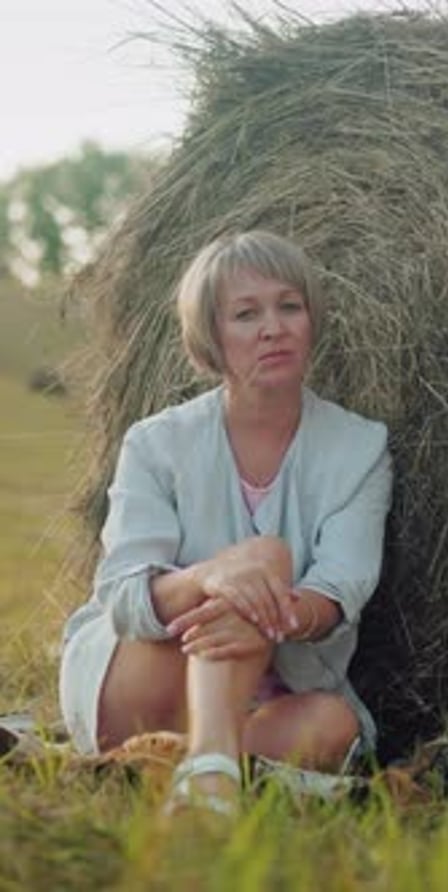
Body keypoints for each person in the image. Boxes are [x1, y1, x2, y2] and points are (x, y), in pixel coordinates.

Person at [59, 230, 392, 815]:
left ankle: (171, 767)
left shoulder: (360, 447)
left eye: (289, 306)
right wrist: (216, 580)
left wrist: (267, 615)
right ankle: (214, 767)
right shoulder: (156, 443)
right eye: (245, 314)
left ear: (312, 318)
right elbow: (124, 595)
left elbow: (342, 587)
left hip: (270, 691)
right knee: (263, 556)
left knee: (335, 725)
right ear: (210, 337)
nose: (273, 327)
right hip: (142, 672)